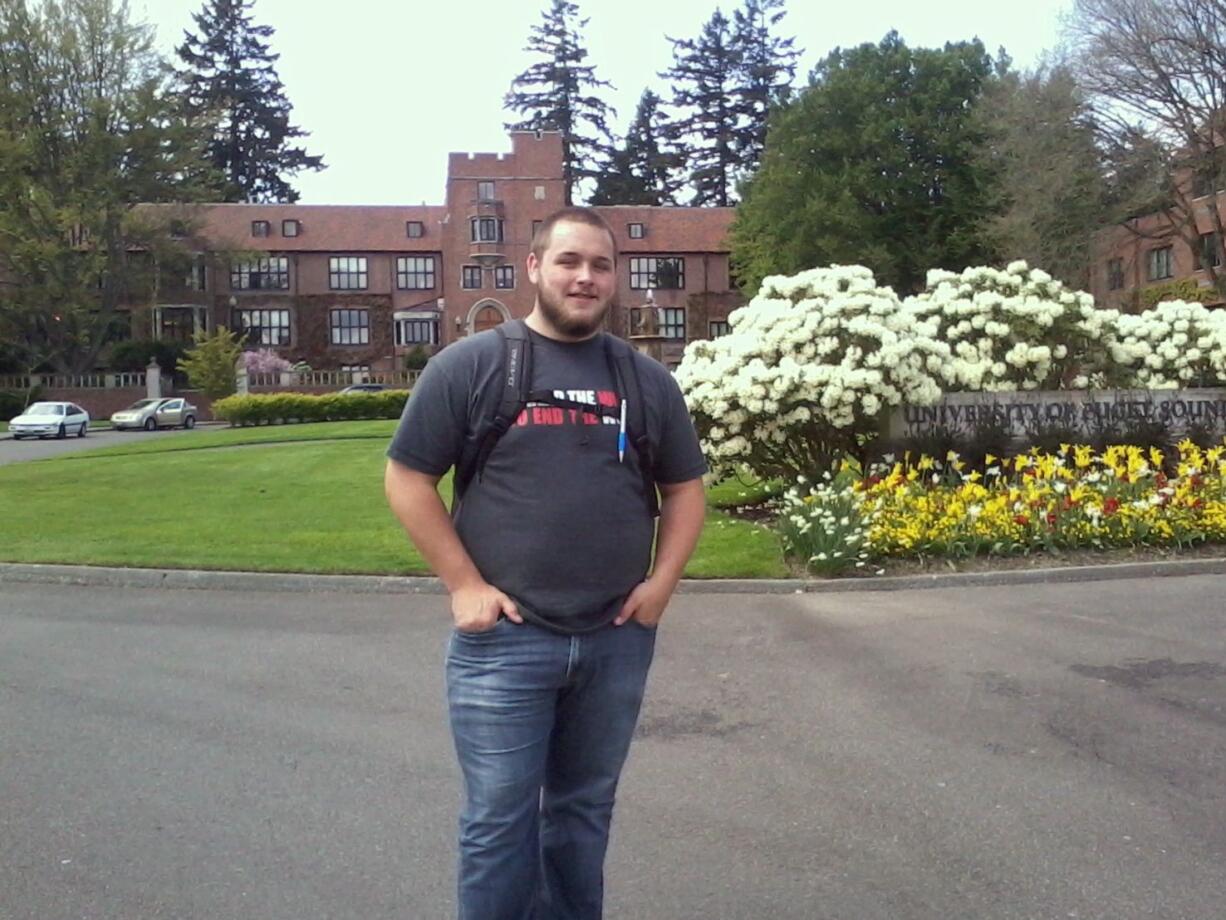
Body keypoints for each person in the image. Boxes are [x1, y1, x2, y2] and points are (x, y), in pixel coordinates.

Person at [384, 206, 708, 920]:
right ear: (534, 268)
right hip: (504, 642)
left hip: (614, 639)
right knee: (500, 822)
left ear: (615, 277)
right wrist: (465, 586)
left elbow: (684, 488)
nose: (584, 277)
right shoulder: (472, 365)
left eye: (599, 264)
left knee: (582, 814)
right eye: (568, 261)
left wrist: (660, 587)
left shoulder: (647, 383)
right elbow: (407, 478)